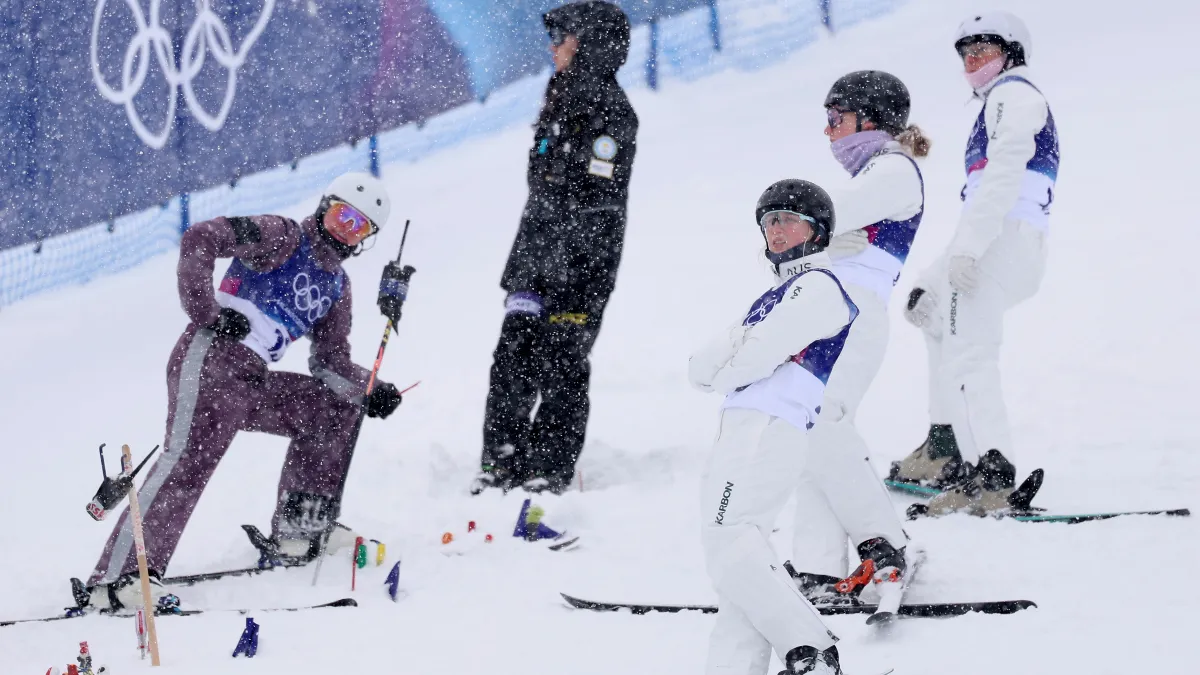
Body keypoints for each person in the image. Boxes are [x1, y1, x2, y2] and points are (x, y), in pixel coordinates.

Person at [82, 172, 404, 611]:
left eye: (359, 225)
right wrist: (207, 311)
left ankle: (301, 529)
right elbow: (202, 237)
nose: (345, 228)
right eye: (341, 214)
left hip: (251, 381)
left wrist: (371, 389)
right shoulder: (283, 236)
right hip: (212, 359)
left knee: (331, 407)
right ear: (325, 205)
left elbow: (330, 362)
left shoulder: (336, 288)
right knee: (189, 461)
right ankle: (119, 581)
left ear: (367, 238)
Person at [690, 180, 865, 675]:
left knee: (729, 540)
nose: (776, 230)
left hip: (769, 424)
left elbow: (754, 358)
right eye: (769, 221)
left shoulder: (820, 286)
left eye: (789, 219)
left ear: (817, 230)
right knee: (735, 569)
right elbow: (697, 369)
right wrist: (741, 348)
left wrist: (738, 353)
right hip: (744, 426)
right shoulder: (775, 295)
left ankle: (811, 649)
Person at [892, 11, 1058, 515]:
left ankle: (990, 474)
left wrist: (969, 248)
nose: (971, 62)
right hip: (994, 237)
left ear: (1011, 53)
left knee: (971, 355)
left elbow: (1005, 174)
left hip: (1000, 239)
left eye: (982, 51)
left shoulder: (1015, 94)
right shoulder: (1001, 99)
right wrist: (938, 271)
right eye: (966, 55)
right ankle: (948, 447)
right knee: (931, 313)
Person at [472, 0, 638, 496]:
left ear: (589, 44)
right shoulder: (558, 96)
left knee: (562, 360)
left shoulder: (612, 109)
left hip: (583, 265)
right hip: (533, 259)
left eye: (564, 38)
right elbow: (542, 180)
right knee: (513, 356)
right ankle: (500, 459)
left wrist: (561, 195)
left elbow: (596, 193)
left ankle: (547, 467)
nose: (553, 47)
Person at [786, 71, 929, 598]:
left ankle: (885, 544)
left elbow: (813, 224)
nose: (828, 133)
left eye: (835, 119)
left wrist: (815, 239)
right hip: (826, 311)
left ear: (870, 119)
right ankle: (817, 566)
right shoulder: (872, 172)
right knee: (809, 429)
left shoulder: (892, 168)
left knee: (822, 424)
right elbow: (793, 245)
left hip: (856, 312)